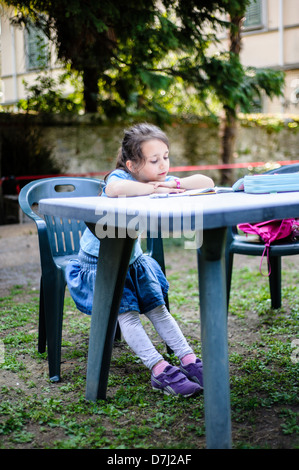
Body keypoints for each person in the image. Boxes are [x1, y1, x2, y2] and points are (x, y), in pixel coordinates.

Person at [66, 123, 214, 398]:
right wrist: (154, 189)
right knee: (129, 316)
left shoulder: (155, 178)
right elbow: (114, 189)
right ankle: (159, 370)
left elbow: (207, 183)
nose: (163, 164)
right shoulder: (119, 177)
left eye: (166, 157)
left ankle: (189, 360)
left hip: (133, 260)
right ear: (132, 164)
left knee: (158, 309)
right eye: (154, 160)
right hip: (102, 264)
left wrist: (170, 184)